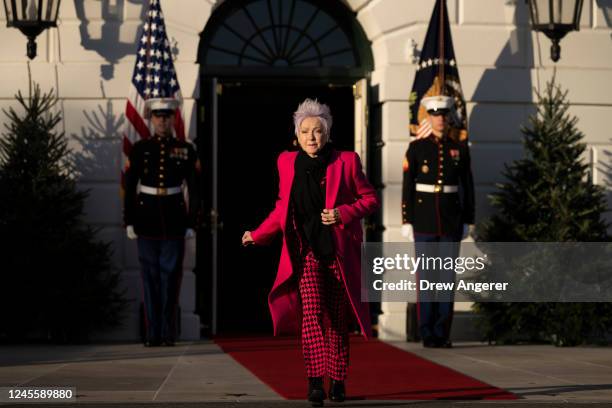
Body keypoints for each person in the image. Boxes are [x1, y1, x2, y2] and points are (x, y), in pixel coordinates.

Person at [242, 99, 379, 406]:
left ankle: (339, 380)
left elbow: (371, 200)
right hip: (306, 252)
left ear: (327, 133)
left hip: (339, 253)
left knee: (338, 319)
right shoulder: (287, 162)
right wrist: (259, 234)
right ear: (297, 135)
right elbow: (282, 206)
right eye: (305, 132)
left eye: (317, 131)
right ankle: (316, 381)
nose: (311, 138)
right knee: (313, 314)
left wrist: (343, 213)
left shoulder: (346, 161)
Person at [123, 98, 201, 347]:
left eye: (167, 116)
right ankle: (152, 333)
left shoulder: (185, 149)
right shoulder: (139, 149)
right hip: (145, 220)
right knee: (150, 279)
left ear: (172, 118)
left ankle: (167, 333)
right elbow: (129, 186)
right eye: (158, 116)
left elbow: (195, 189)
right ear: (151, 118)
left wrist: (191, 222)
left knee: (170, 279)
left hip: (174, 220)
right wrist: (129, 221)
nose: (163, 121)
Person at [401, 95, 475, 348]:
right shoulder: (417, 148)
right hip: (423, 221)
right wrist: (407, 220)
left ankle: (441, 332)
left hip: (451, 220)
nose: (440, 119)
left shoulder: (459, 148)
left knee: (446, 278)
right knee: (426, 278)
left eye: (444, 115)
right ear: (428, 118)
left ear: (449, 117)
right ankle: (426, 332)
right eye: (435, 115)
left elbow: (467, 186)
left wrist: (469, 219)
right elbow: (407, 187)